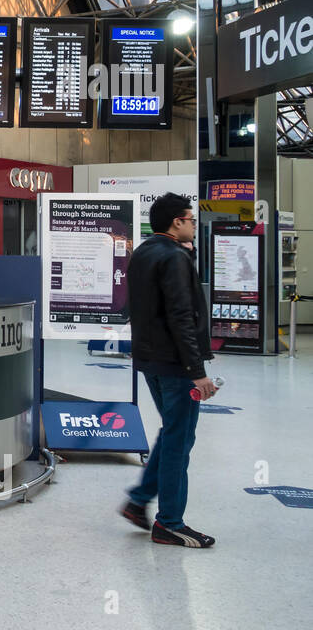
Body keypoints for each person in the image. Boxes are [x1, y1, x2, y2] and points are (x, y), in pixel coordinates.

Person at [122, 193, 218, 548]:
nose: (194, 224)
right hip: (177, 366)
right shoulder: (175, 257)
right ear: (176, 222)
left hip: (151, 360)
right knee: (180, 440)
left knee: (174, 431)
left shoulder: (144, 252)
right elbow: (181, 315)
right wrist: (196, 368)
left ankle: (138, 500)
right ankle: (170, 523)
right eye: (190, 219)